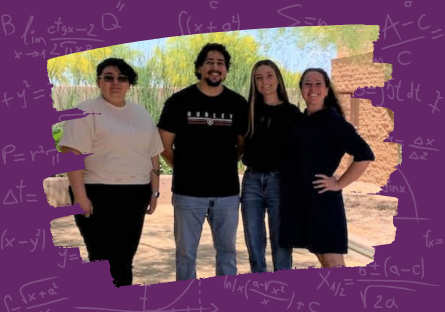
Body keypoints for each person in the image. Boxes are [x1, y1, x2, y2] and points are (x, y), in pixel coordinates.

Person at [58, 58, 164, 287]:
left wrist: (154, 192)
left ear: (129, 84)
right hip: (97, 193)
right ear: (98, 81)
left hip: (135, 194)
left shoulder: (141, 113)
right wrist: (81, 196)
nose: (115, 83)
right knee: (102, 260)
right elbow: (71, 154)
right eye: (108, 78)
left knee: (125, 259)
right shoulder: (85, 112)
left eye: (121, 78)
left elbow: (153, 154)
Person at [157, 43, 248, 281]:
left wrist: (225, 164)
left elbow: (242, 145)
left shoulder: (237, 104)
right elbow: (163, 145)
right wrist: (185, 168)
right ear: (199, 68)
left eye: (220, 63)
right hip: (188, 193)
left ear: (226, 70)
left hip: (227, 193)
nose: (215, 67)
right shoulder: (178, 102)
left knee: (227, 252)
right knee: (186, 254)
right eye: (209, 62)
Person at [280, 68, 375, 268]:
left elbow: (365, 155)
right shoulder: (300, 121)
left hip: (323, 201)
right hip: (302, 201)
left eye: (318, 84)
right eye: (307, 84)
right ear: (301, 89)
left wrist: (339, 183)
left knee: (333, 262)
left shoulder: (334, 122)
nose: (312, 88)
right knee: (322, 258)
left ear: (326, 90)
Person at [241, 60, 300, 273]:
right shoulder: (248, 110)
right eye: (259, 77)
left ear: (277, 78)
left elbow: (300, 152)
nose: (264, 81)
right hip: (252, 182)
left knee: (281, 242)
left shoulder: (292, 113)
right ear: (254, 82)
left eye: (269, 75)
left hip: (280, 181)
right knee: (254, 242)